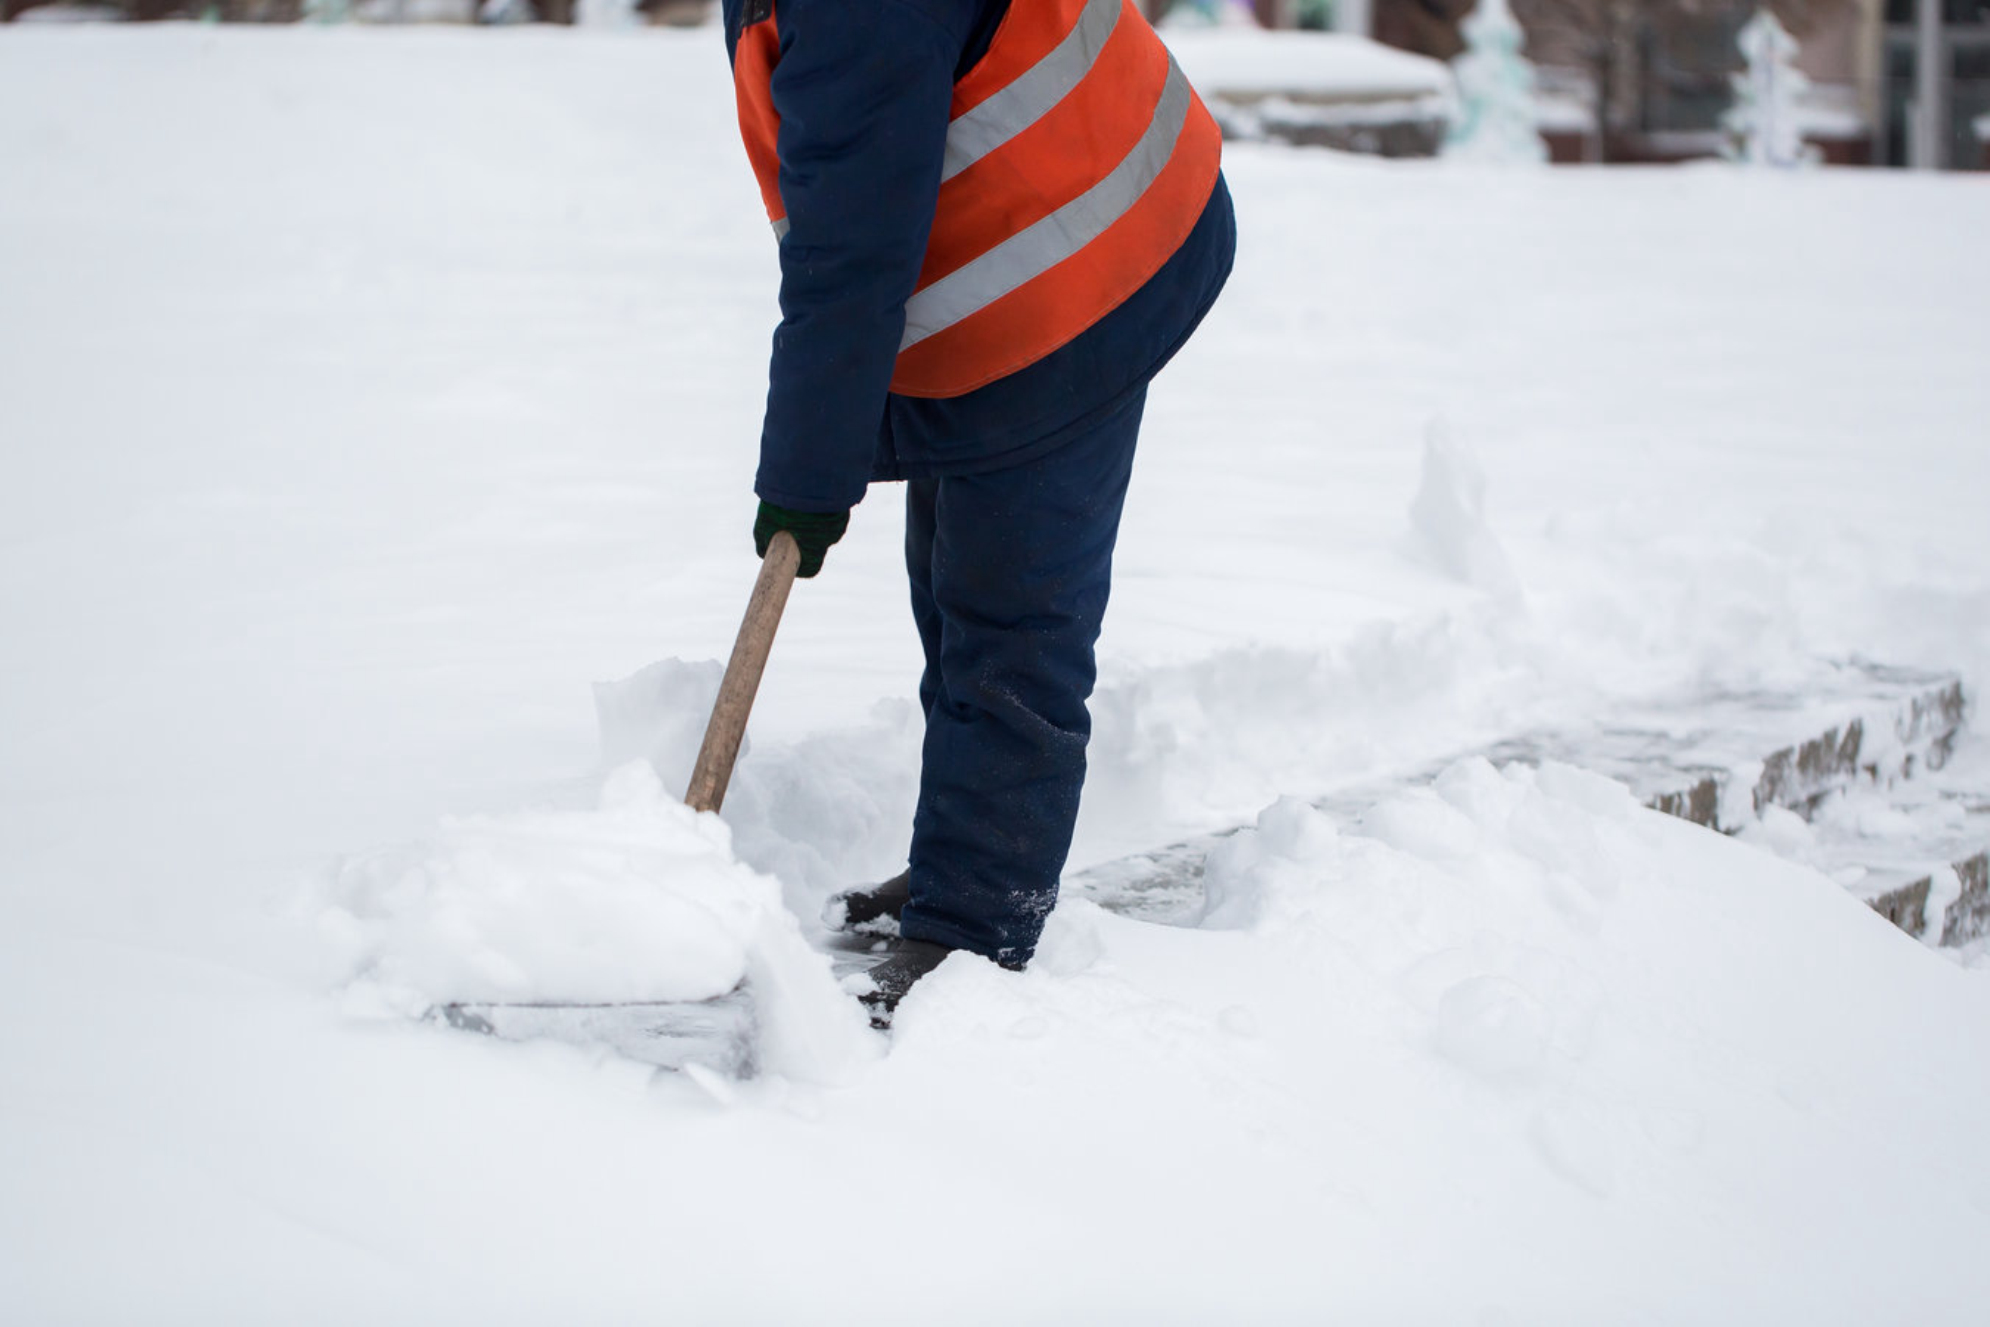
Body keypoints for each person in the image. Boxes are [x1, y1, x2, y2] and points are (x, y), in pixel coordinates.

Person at [722, 0, 1235, 1025]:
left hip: (1088, 258)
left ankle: (975, 927)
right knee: (951, 580)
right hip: (1004, 237)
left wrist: (807, 477)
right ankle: (960, 865)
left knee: (1010, 613)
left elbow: (850, 254)